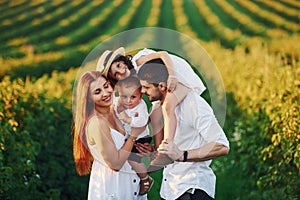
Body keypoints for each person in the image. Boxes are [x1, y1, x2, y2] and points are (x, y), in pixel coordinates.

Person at [96, 47, 206, 167]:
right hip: (161, 81)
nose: (121, 72)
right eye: (116, 74)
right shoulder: (132, 77)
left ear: (122, 61)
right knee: (154, 115)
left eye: (118, 66)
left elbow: (163, 54)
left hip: (178, 74)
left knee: (168, 106)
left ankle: (166, 150)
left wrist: (172, 76)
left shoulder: (138, 62)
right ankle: (159, 152)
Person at [137, 60, 230, 200]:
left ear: (162, 86)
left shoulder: (193, 104)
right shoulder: (161, 107)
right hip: (170, 190)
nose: (143, 91)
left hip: (192, 190)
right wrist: (154, 152)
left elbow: (222, 146)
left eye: (146, 87)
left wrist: (182, 155)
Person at [72, 71, 147, 199]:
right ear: (88, 98)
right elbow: (115, 164)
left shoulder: (115, 110)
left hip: (132, 184)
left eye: (106, 86)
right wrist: (133, 136)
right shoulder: (97, 123)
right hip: (113, 189)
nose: (105, 93)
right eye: (97, 92)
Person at [115, 75, 154, 195]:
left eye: (133, 97)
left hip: (141, 137)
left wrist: (128, 120)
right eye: (124, 97)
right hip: (130, 136)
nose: (128, 101)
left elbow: (143, 121)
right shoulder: (119, 103)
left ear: (140, 96)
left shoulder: (141, 106)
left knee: (132, 159)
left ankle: (145, 179)